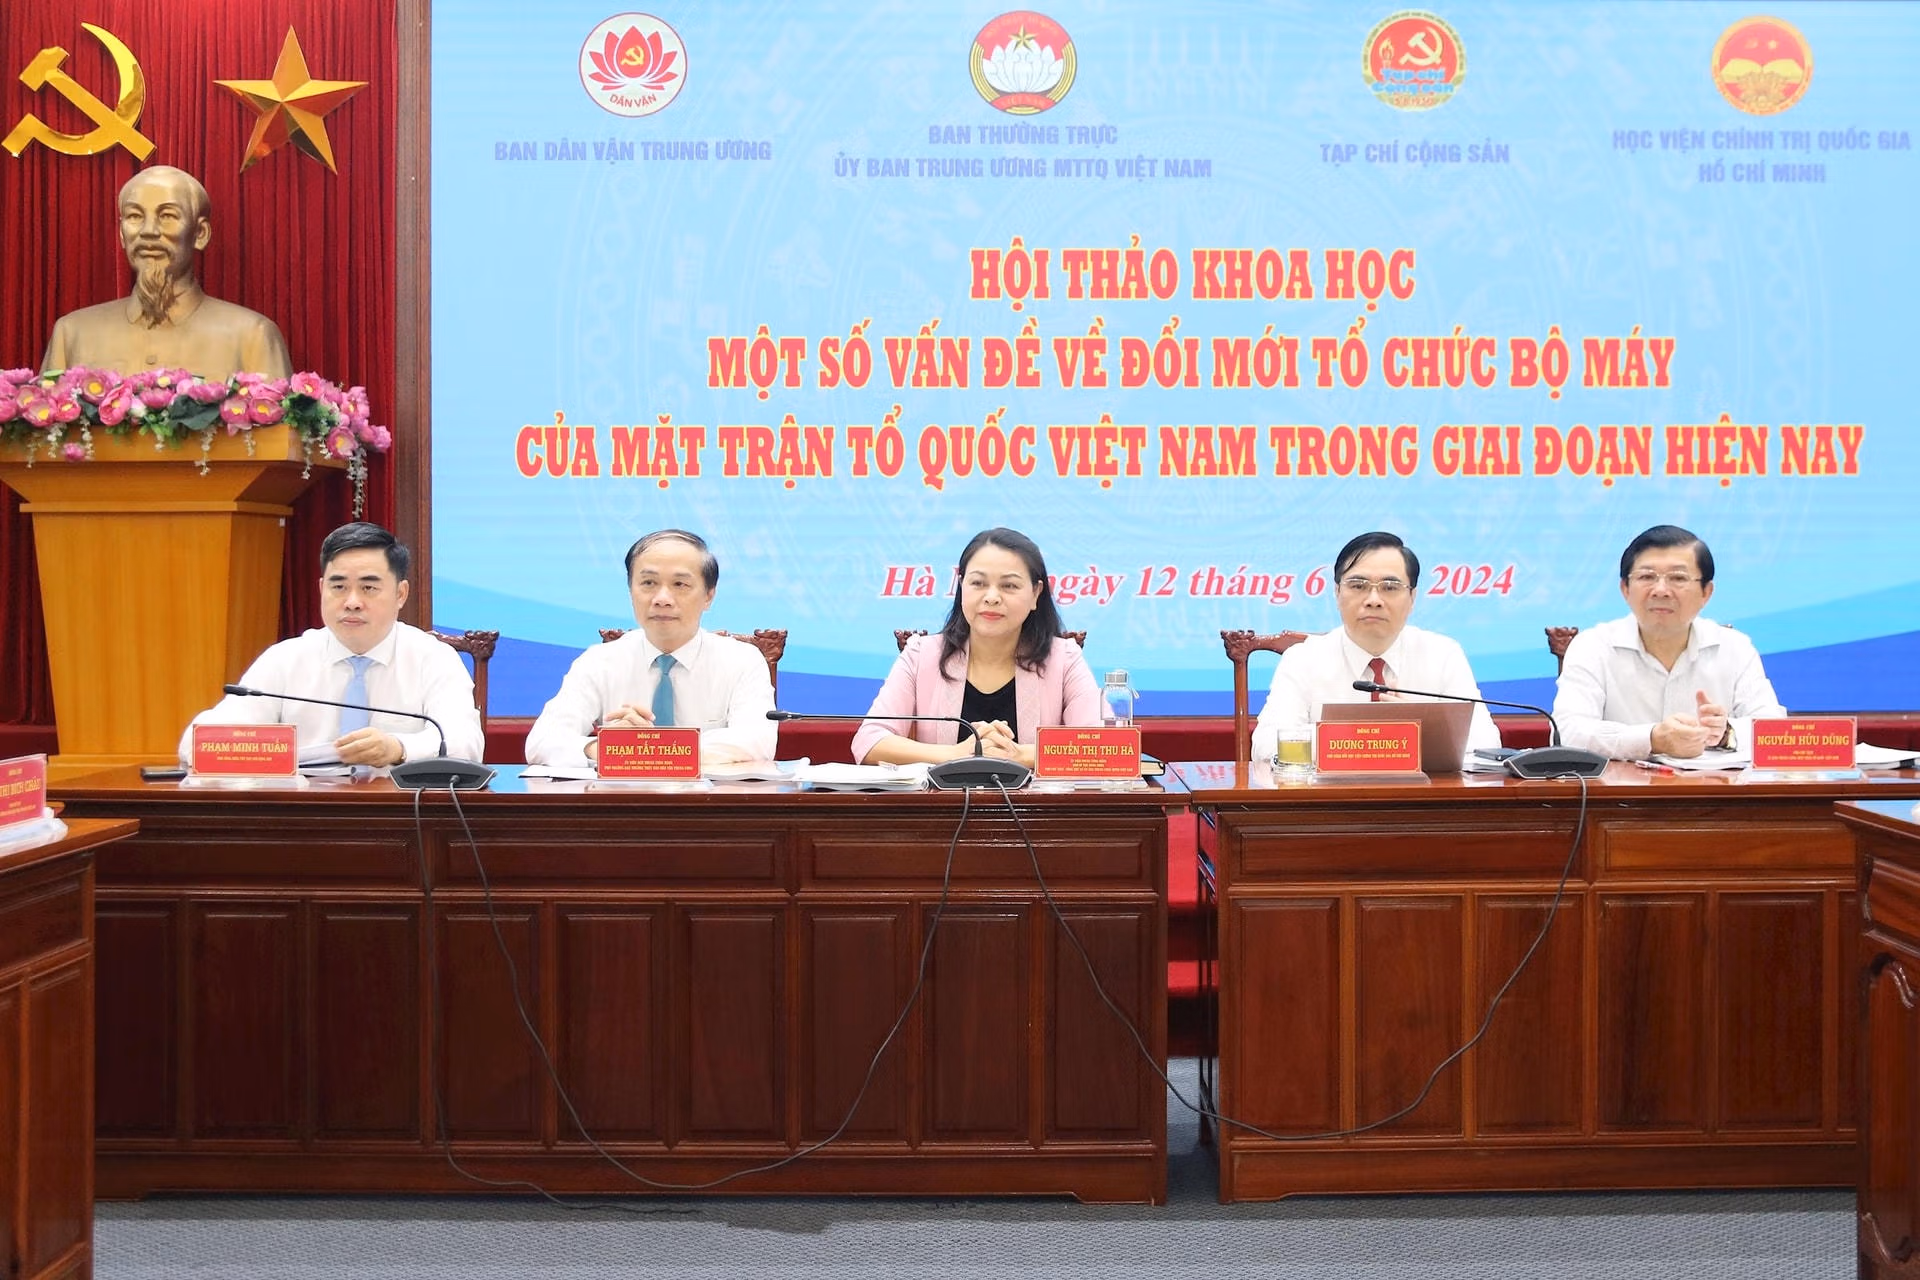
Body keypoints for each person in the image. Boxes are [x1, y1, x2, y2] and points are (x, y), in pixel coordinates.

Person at [179, 523, 483, 765]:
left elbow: (465, 744)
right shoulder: (286, 659)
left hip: (403, 813)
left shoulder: (433, 658)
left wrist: (398, 748)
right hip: (301, 813)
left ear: (400, 594)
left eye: (368, 587)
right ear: (322, 589)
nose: (352, 602)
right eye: (339, 587)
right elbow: (196, 744)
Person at [525, 529, 777, 766]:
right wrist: (605, 747)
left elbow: (757, 742)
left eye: (680, 585)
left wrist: (648, 748)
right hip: (621, 797)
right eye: (648, 583)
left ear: (708, 596)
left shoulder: (742, 661)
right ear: (630, 591)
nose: (662, 599)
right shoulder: (599, 661)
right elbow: (541, 742)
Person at [854, 527, 1100, 769]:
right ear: (962, 587)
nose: (992, 597)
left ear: (1036, 593)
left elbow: (1103, 745)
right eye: (978, 583)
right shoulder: (920, 655)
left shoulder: (1064, 658)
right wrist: (956, 754)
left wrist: (1020, 755)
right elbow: (869, 742)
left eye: (1009, 586)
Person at [1251, 531, 1502, 765]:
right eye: (1358, 586)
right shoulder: (1303, 658)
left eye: (1390, 587)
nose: (1373, 600)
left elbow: (1486, 743)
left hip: (1421, 797)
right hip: (1329, 796)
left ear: (1412, 598)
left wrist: (1418, 731)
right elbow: (1265, 746)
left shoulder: (1443, 654)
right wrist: (1368, 736)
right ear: (1337, 592)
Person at [1554, 524, 1785, 759]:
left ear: (1706, 592)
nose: (1661, 590)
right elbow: (1568, 732)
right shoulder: (1592, 647)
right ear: (1625, 589)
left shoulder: (1735, 648)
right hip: (1619, 783)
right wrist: (1653, 739)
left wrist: (1727, 733)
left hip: (1713, 782)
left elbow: (1775, 733)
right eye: (1647, 577)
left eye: (1678, 578)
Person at [42, 165, 293, 380]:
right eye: (135, 216)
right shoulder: (72, 334)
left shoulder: (252, 336)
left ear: (200, 233)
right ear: (121, 234)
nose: (148, 231)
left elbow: (280, 423)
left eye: (167, 216)